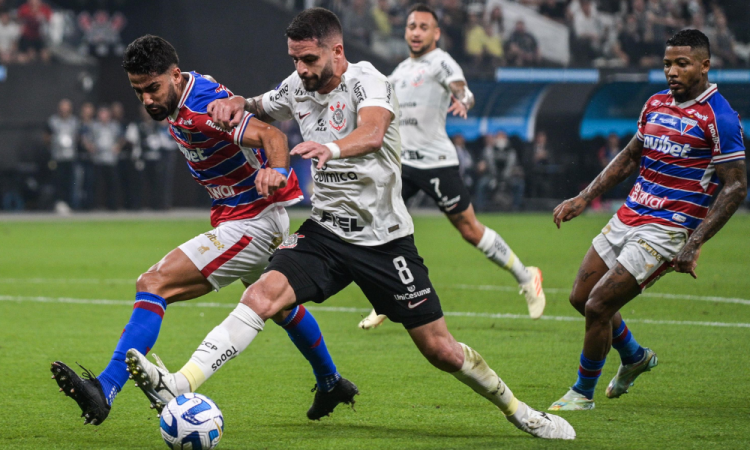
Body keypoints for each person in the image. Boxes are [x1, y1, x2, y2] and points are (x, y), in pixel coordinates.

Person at [128, 8, 575, 439]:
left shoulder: (368, 81)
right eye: (294, 60)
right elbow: (261, 105)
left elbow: (375, 131)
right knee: (262, 294)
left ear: (336, 52)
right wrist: (235, 103)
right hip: (326, 233)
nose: (301, 69)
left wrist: (333, 148)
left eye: (309, 59)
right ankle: (180, 385)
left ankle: (521, 413)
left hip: (385, 242)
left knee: (440, 350)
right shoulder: (296, 86)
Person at [51, 34, 352, 425]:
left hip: (252, 220)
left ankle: (105, 389)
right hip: (237, 215)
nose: (146, 100)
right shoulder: (181, 92)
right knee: (281, 306)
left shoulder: (202, 107)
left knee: (153, 283)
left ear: (175, 76)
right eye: (138, 91)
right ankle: (331, 381)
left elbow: (272, 135)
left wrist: (277, 170)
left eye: (153, 88)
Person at [549, 29, 746, 411]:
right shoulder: (656, 102)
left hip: (668, 228)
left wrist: (694, 241)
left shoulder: (719, 117)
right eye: (668, 64)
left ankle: (581, 394)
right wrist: (584, 197)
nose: (672, 71)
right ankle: (635, 356)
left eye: (682, 64)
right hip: (629, 215)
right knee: (580, 298)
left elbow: (736, 187)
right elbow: (628, 157)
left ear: (704, 66)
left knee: (598, 307)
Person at [360, 4, 545, 331]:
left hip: (437, 163)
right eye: (411, 26)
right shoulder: (398, 71)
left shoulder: (441, 61)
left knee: (470, 230)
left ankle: (526, 275)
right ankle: (390, 298)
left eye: (423, 27)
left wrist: (464, 99)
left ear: (436, 33)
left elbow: (462, 88)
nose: (416, 32)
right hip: (404, 164)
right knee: (380, 226)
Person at [45, 98, 79, 214]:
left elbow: (78, 137)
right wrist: (54, 142)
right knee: (58, 181)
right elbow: (46, 136)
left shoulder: (74, 121)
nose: (64, 110)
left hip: (70, 156)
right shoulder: (53, 121)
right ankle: (58, 203)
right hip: (57, 156)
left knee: (70, 181)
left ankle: (68, 203)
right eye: (63, 107)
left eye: (67, 108)